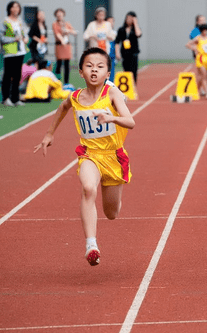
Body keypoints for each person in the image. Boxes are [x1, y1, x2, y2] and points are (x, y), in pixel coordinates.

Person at [34, 47, 135, 266]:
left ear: (108, 73)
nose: (94, 71)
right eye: (89, 66)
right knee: (88, 188)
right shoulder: (76, 97)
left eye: (100, 67)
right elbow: (62, 107)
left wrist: (111, 119)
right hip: (90, 154)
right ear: (81, 72)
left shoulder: (113, 94)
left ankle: (113, 202)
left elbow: (131, 122)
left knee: (112, 213)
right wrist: (49, 134)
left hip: (113, 156)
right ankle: (91, 245)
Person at [1, 1, 29, 107]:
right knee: (8, 75)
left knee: (17, 75)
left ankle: (15, 98)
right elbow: (1, 37)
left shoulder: (20, 21)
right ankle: (6, 98)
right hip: (10, 52)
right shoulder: (5, 21)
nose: (16, 9)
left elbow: (25, 33)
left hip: (20, 51)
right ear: (10, 9)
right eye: (14, 7)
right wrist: (14, 39)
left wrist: (25, 38)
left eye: (18, 7)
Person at [186, 23, 207, 99]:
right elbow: (188, 44)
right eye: (204, 31)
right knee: (203, 75)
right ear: (202, 31)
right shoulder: (198, 38)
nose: (206, 32)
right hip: (200, 59)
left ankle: (198, 89)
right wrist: (195, 49)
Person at [115, 11, 142, 86]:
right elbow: (117, 42)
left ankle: (134, 87)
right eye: (128, 18)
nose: (129, 20)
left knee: (134, 71)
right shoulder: (121, 30)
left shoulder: (135, 29)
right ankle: (127, 87)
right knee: (126, 71)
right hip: (125, 54)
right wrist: (117, 53)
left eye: (131, 18)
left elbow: (138, 34)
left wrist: (135, 23)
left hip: (133, 54)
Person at [52, 8, 77, 87]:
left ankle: (66, 82)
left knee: (67, 64)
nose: (59, 15)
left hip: (67, 45)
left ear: (63, 15)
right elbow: (57, 33)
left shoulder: (67, 23)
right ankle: (58, 82)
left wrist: (68, 31)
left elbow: (74, 32)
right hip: (59, 45)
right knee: (59, 64)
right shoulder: (55, 24)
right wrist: (62, 40)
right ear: (56, 15)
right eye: (58, 14)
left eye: (61, 14)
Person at [106, 16, 117, 81]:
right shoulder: (102, 32)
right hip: (104, 55)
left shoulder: (114, 33)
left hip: (112, 56)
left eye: (112, 22)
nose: (110, 23)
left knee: (111, 73)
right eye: (108, 22)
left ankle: (110, 88)